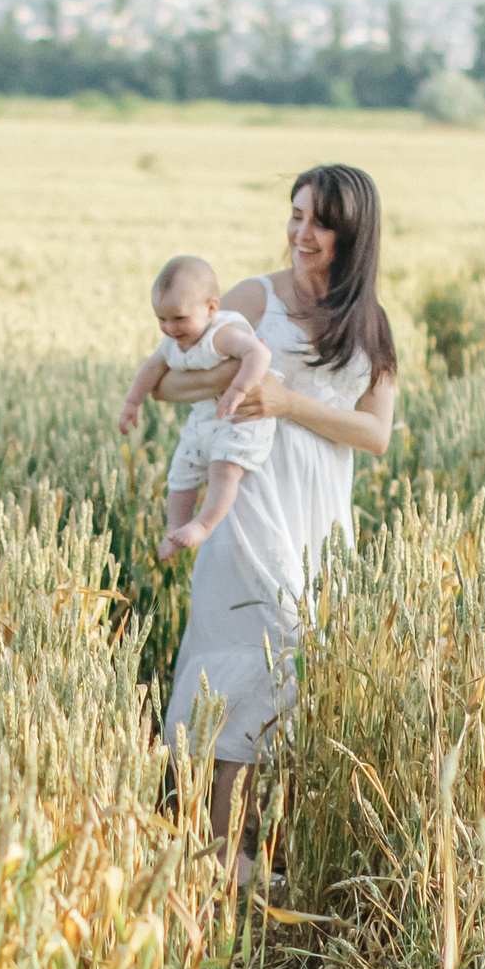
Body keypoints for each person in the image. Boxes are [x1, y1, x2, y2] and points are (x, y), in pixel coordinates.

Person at [147, 165, 400, 883]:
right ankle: (224, 850)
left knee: (302, 665)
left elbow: (375, 434)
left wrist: (288, 401)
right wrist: (240, 387)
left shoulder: (371, 323)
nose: (300, 233)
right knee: (266, 648)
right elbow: (169, 377)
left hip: (319, 513)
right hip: (249, 500)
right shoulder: (256, 298)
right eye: (294, 216)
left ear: (352, 233)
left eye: (318, 222)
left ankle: (242, 842)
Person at [115, 255, 279, 560]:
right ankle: (175, 528)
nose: (169, 328)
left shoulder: (222, 334)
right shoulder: (173, 342)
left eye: (178, 319)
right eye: (161, 319)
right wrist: (131, 403)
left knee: (225, 468)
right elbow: (151, 369)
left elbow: (259, 355)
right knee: (180, 474)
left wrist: (237, 389)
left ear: (212, 309)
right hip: (203, 421)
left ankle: (204, 524)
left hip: (240, 418)